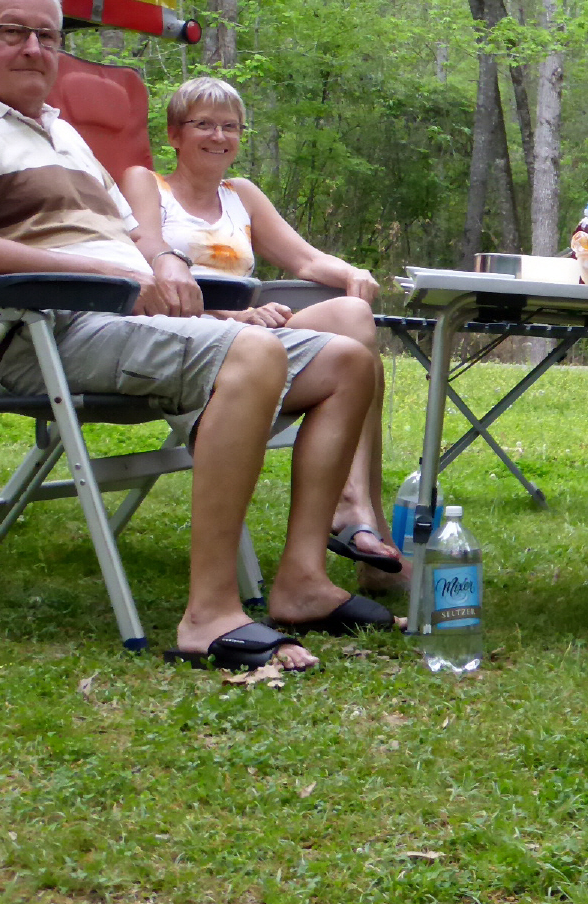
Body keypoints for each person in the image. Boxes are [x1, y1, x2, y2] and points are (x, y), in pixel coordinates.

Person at [0, 0, 393, 671]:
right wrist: (112, 275)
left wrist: (165, 263)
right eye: (12, 31)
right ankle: (209, 615)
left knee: (347, 362)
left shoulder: (59, 133)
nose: (34, 49)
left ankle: (301, 583)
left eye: (48, 35)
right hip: (42, 331)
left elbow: (134, 234)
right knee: (254, 354)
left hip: (127, 321)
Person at [119, 78, 402, 592]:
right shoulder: (146, 184)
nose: (219, 136)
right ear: (174, 134)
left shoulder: (241, 195)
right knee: (357, 356)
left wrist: (351, 273)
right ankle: (366, 527)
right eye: (203, 124)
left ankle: (355, 503)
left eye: (230, 126)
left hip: (254, 333)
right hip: (184, 336)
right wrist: (231, 316)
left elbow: (305, 259)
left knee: (353, 316)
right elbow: (148, 265)